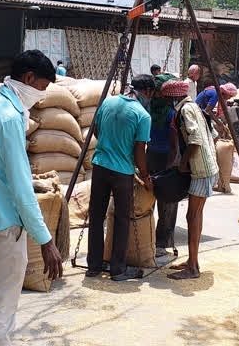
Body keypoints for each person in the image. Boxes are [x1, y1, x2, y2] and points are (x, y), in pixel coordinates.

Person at [0, 50, 63, 346]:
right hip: (6, 224)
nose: (42, 96)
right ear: (29, 78)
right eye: (42, 87)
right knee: (2, 312)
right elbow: (21, 187)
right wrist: (46, 240)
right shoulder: (10, 117)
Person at [87, 74, 155, 281]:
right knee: (123, 219)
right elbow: (139, 151)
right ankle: (117, 269)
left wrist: (108, 145)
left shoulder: (107, 102)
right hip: (122, 172)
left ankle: (94, 266)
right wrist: (145, 176)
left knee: (96, 217)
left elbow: (96, 129)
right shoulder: (142, 115)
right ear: (148, 92)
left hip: (99, 166)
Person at [161, 79, 218, 280]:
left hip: (201, 170)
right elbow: (214, 134)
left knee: (193, 217)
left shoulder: (184, 111)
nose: (167, 103)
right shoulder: (195, 106)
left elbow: (194, 140)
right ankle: (192, 261)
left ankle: (193, 268)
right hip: (208, 166)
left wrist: (184, 163)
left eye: (167, 98)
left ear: (173, 97)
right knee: (195, 216)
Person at [148, 74, 179, 258]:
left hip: (151, 155)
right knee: (167, 202)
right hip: (165, 157)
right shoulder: (171, 112)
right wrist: (171, 166)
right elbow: (175, 144)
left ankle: (150, 238)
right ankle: (161, 242)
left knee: (150, 199)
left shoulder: (148, 108)